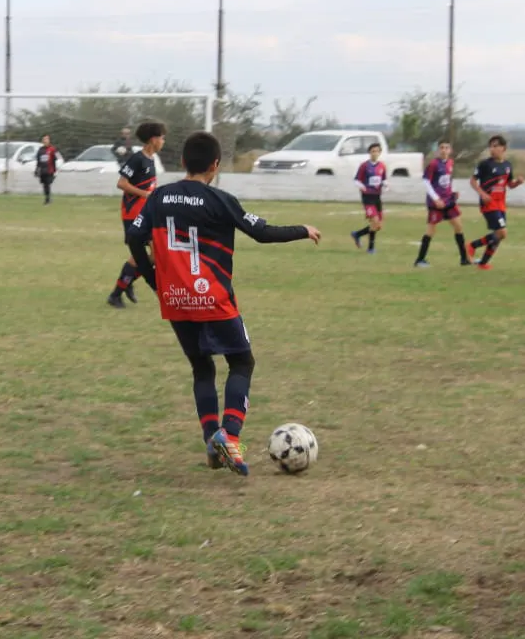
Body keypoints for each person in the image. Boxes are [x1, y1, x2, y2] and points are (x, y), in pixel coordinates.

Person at [126, 131, 320, 476]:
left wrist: (155, 281)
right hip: (213, 299)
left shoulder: (157, 198)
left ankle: (211, 439)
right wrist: (302, 229)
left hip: (175, 300)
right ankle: (229, 436)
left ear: (183, 162)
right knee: (242, 362)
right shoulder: (220, 200)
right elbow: (261, 232)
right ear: (214, 165)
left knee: (202, 368)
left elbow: (133, 236)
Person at [108, 122, 165, 308]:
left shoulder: (151, 159)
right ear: (153, 140)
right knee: (145, 256)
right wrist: (145, 194)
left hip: (145, 214)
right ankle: (118, 292)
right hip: (133, 214)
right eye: (162, 138)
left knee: (151, 256)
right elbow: (121, 183)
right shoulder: (137, 159)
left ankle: (125, 285)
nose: (163, 142)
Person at [467, 134, 524, 270]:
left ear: (503, 148)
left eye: (495, 146)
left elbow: (509, 184)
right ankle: (472, 245)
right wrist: (482, 193)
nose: (492, 149)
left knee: (498, 235)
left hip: (501, 204)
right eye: (490, 146)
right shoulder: (485, 164)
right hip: (489, 203)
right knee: (501, 232)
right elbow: (473, 181)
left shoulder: (507, 165)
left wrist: (518, 183)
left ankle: (483, 263)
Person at [415, 140, 471, 267]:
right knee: (431, 231)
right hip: (436, 203)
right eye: (441, 148)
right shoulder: (434, 164)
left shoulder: (450, 163)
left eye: (446, 148)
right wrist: (435, 198)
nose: (444, 150)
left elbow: (447, 181)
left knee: (458, 227)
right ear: (438, 150)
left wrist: (453, 192)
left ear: (450, 150)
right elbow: (426, 181)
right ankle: (419, 260)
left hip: (448, 201)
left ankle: (464, 259)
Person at [350, 142, 388, 254]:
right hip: (367, 198)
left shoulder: (382, 166)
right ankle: (371, 248)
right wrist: (362, 187)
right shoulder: (364, 166)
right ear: (369, 152)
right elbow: (356, 180)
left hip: (377, 197)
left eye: (377, 151)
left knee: (378, 226)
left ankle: (357, 234)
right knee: (375, 222)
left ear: (380, 153)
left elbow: (384, 179)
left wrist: (386, 185)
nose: (375, 153)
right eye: (373, 151)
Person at [34, 134, 58, 204]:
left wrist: (55, 170)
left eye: (46, 139)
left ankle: (48, 199)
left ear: (49, 140)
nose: (45, 141)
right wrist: (36, 170)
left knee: (48, 184)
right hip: (42, 170)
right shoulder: (40, 150)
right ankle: (47, 198)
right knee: (44, 184)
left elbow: (56, 159)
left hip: (50, 170)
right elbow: (38, 161)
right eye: (44, 139)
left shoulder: (52, 149)